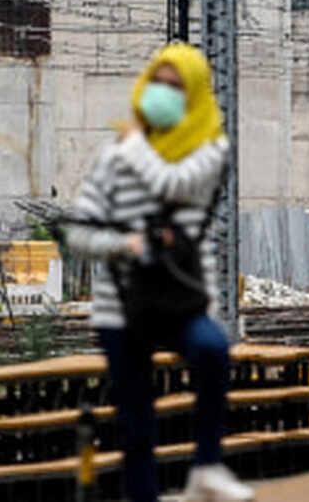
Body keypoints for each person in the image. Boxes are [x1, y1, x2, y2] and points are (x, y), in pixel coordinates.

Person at [66, 42, 254, 502]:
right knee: (137, 425)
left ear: (193, 97)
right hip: (122, 308)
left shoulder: (210, 152)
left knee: (212, 352)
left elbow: (173, 183)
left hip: (183, 300)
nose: (162, 94)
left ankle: (206, 467)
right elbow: (77, 231)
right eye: (157, 82)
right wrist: (124, 244)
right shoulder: (114, 157)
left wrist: (134, 148)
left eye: (176, 87)